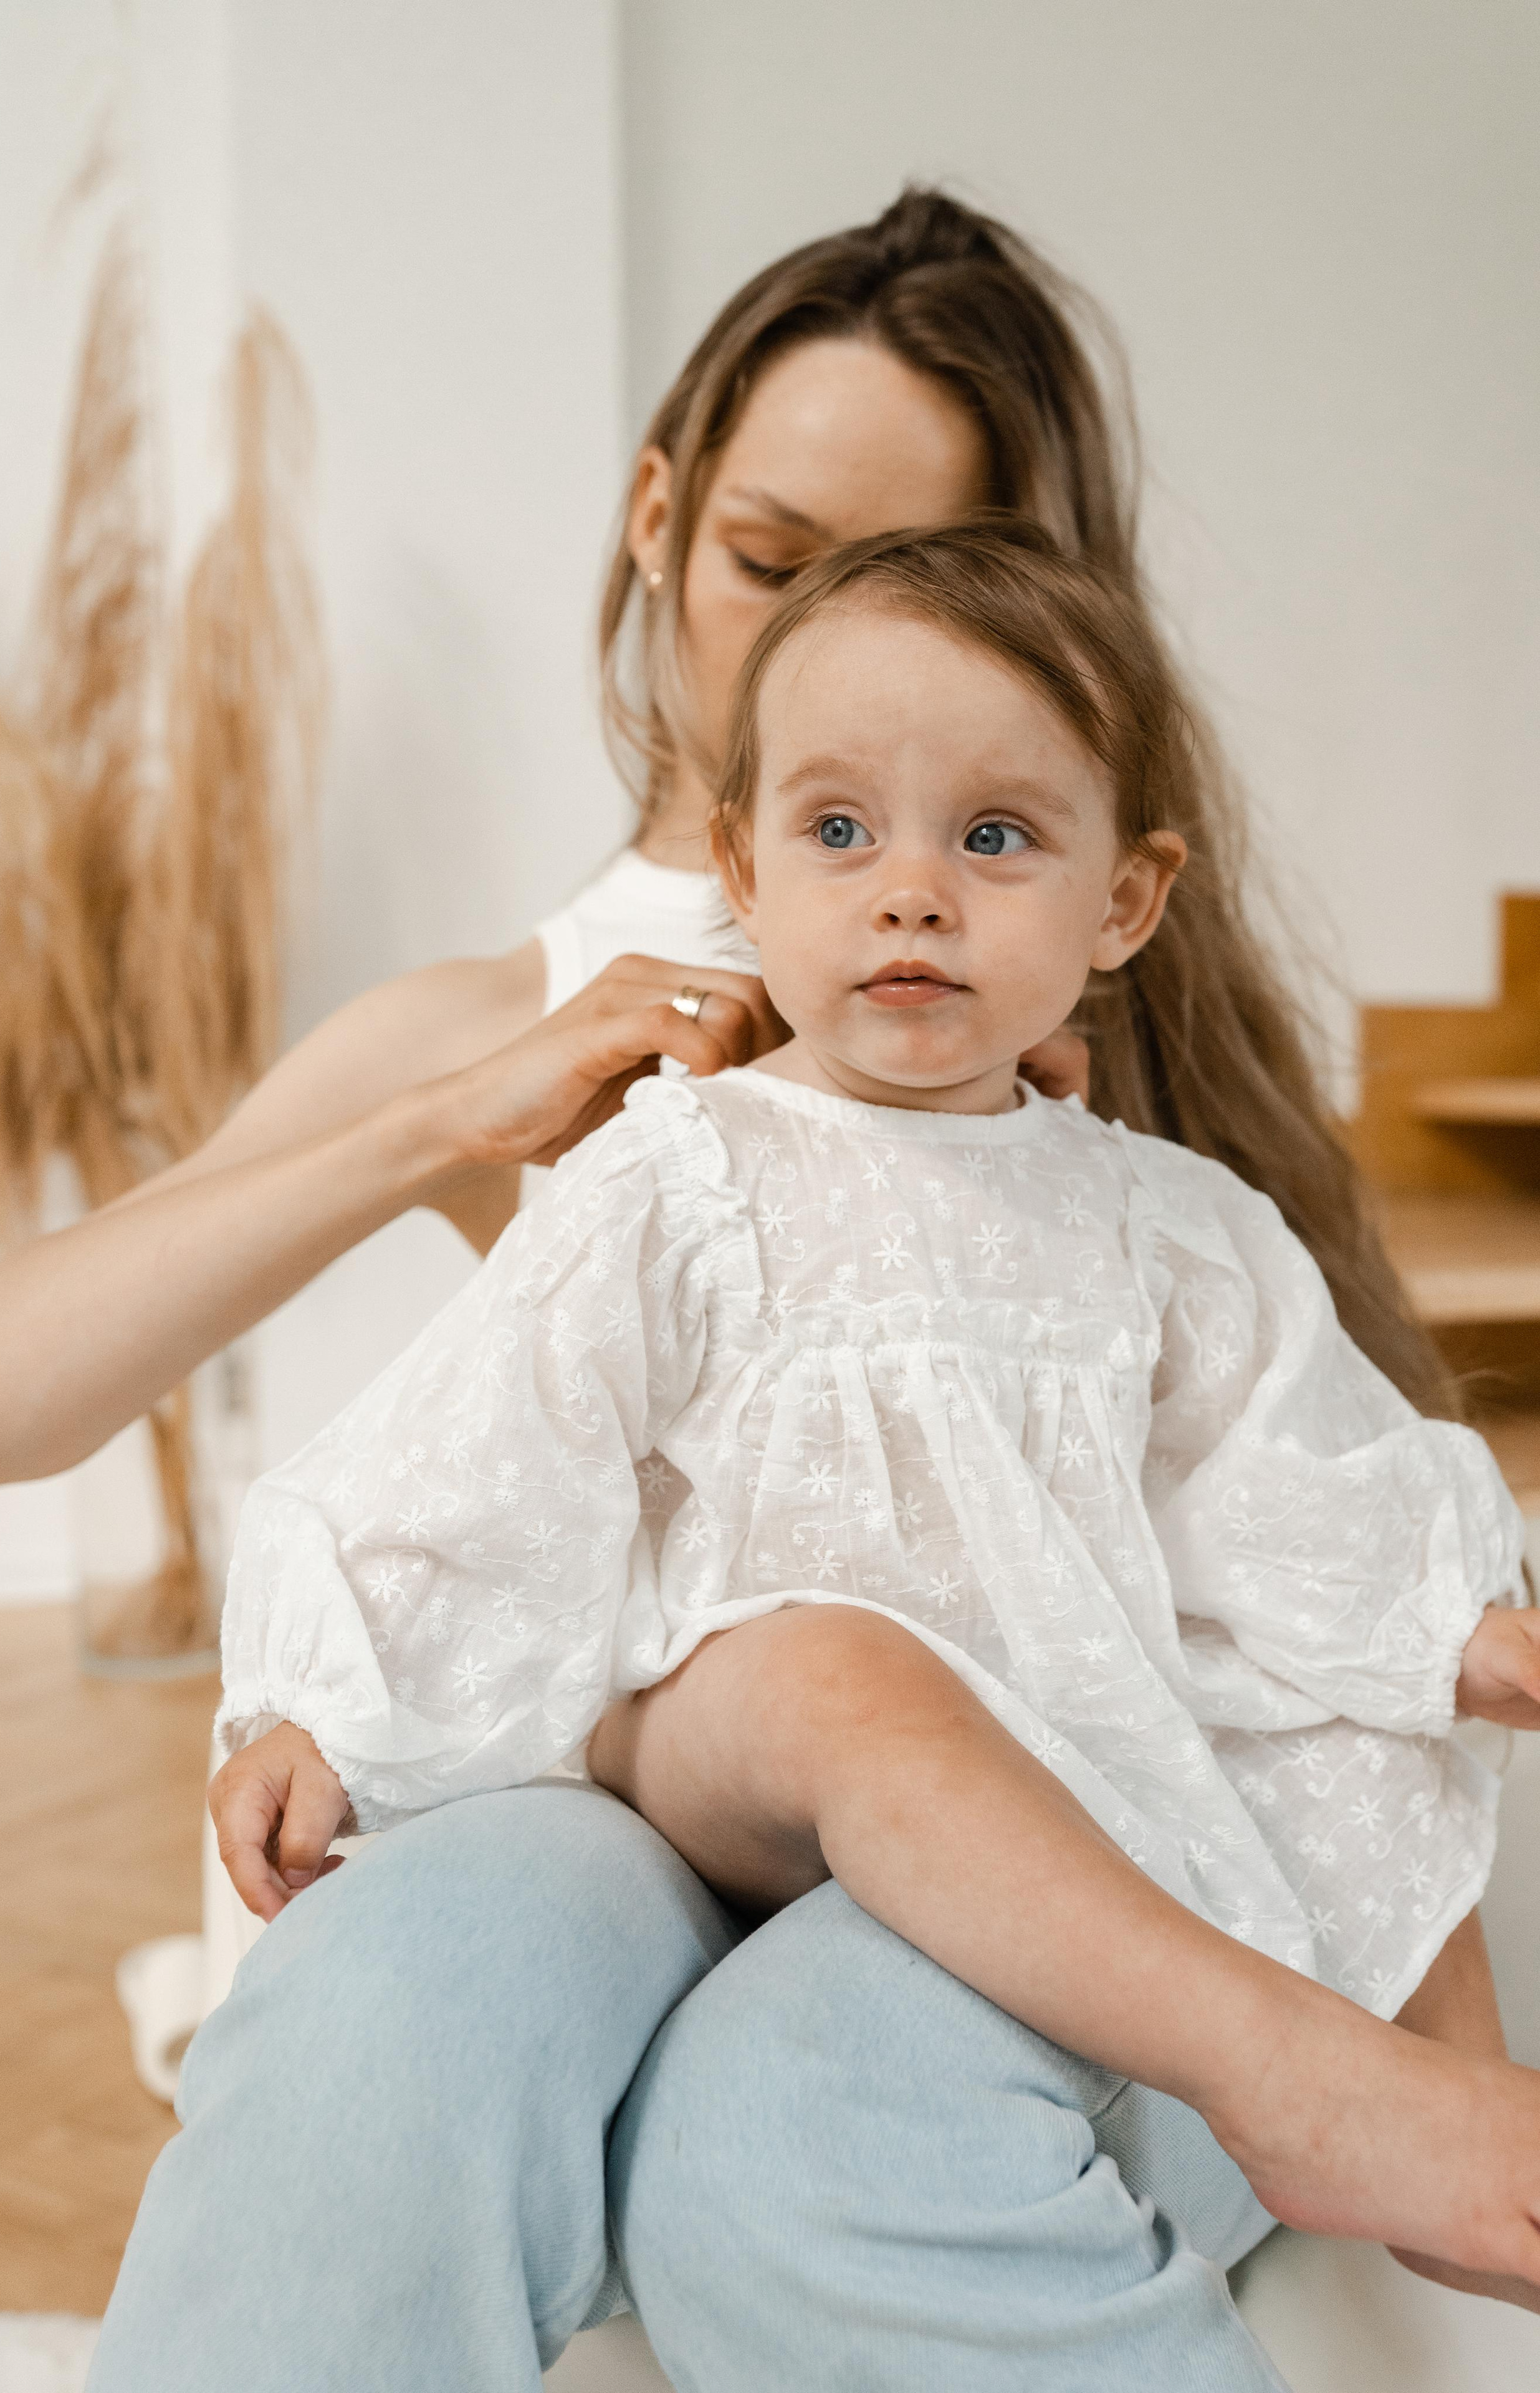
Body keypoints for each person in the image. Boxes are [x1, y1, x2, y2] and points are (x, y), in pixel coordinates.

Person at [0, 190, 1491, 2386]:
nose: (827, 650)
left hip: (1038, 1844)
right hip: (603, 1813)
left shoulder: (1125, 1123)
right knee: (401, 2006)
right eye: (782, 564)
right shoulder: (519, 1047)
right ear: (662, 520)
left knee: (814, 2097)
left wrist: (1444, 2087)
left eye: (919, 586)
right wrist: (433, 1124)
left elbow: (1334, 1540)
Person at [208, 517, 1540, 2313]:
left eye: (995, 838)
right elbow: (492, 1443)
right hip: (722, 1809)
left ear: (1124, 902)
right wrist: (324, 1697)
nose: (914, 889)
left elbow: (1278, 1480)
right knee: (825, 1676)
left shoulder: (1167, 1225)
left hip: (1055, 1836)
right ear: (745, 873)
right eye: (843, 832)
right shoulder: (680, 1178)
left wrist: (1458, 1627)